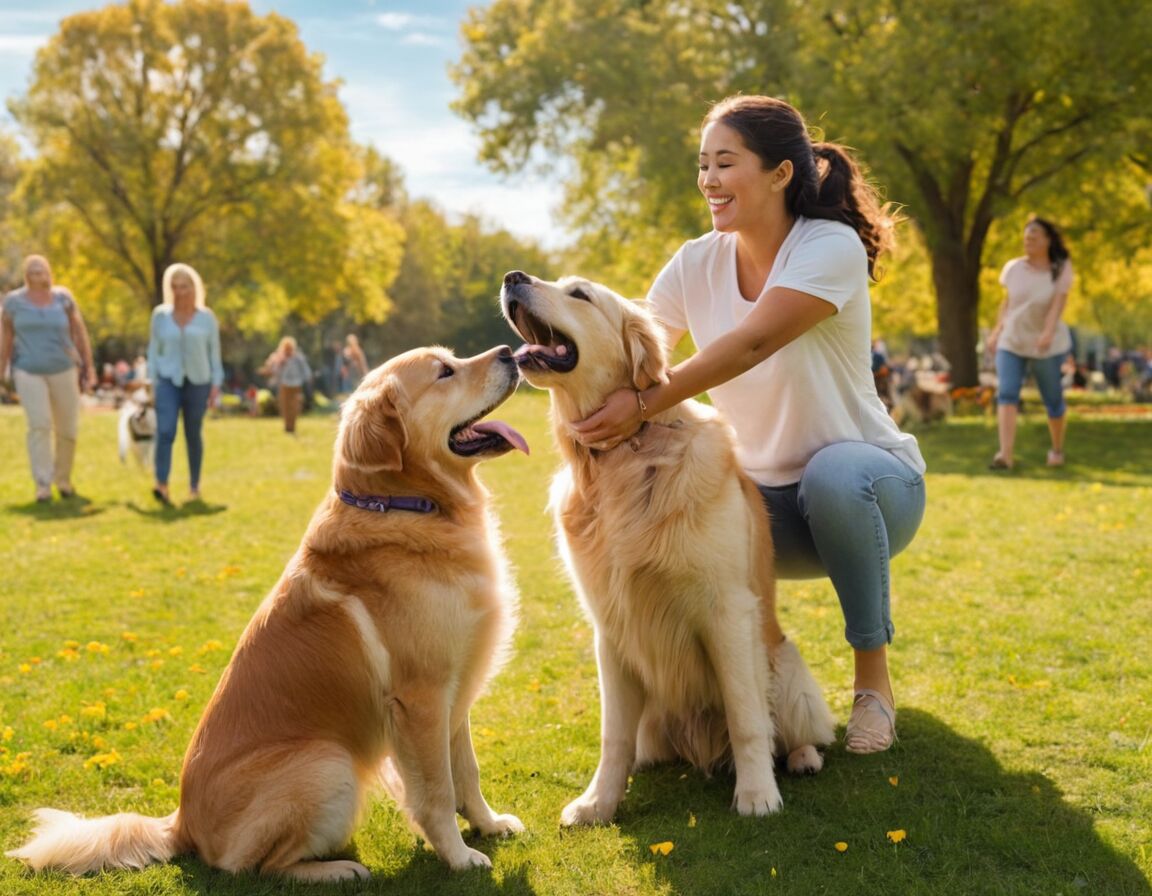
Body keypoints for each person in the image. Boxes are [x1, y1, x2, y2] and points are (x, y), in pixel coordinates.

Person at [571, 95, 926, 754]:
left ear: (780, 173)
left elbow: (751, 343)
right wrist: (567, 365)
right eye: (703, 164)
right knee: (683, 499)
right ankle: (705, 704)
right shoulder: (693, 263)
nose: (708, 179)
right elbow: (637, 353)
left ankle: (872, 687)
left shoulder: (829, 247)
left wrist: (643, 406)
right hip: (764, 509)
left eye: (725, 162)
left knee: (835, 476)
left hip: (875, 491)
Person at [0, 254, 95, 502]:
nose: (36, 274)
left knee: (68, 429)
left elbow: (80, 333)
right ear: (25, 275)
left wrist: (89, 367)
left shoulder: (63, 298)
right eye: (31, 270)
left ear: (49, 272)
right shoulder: (13, 302)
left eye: (40, 269)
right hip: (28, 369)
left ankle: (63, 480)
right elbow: (6, 339)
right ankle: (43, 484)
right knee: (40, 424)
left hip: (64, 367)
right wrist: (1, 369)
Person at [986, 216, 1074, 470]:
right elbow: (1008, 303)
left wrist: (1047, 332)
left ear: (1048, 240)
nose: (1029, 240)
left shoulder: (1061, 267)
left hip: (1045, 344)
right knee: (1007, 393)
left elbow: (1059, 303)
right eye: (1026, 237)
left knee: (1053, 400)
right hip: (1012, 340)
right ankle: (1005, 455)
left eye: (1034, 236)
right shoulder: (1013, 268)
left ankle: (1056, 450)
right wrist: (996, 331)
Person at [147, 263, 223, 506]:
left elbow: (214, 353)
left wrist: (216, 383)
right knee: (166, 430)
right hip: (167, 380)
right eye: (175, 287)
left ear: (194, 287)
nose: (180, 292)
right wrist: (152, 380)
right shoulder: (160, 316)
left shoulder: (206, 318)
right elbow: (153, 349)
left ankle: (194, 486)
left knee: (193, 434)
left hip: (199, 381)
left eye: (185, 286)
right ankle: (162, 484)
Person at [269, 336, 311, 434]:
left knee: (294, 406)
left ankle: (292, 426)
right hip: (284, 384)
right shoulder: (280, 358)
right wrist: (280, 364)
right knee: (285, 406)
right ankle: (287, 426)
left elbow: (306, 370)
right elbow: (275, 371)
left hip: (296, 384)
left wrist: (306, 380)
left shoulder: (298, 358)